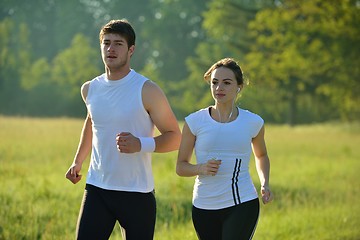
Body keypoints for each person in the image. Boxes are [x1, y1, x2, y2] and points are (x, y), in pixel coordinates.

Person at [65, 19, 181, 240]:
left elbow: (175, 137)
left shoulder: (147, 89)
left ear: (131, 50)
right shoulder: (90, 89)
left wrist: (141, 144)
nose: (111, 48)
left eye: (118, 43)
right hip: (97, 189)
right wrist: (78, 161)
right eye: (106, 43)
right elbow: (92, 122)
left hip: (137, 194)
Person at [176, 58, 273, 240]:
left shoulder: (253, 122)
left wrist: (265, 183)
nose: (219, 88)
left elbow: (261, 155)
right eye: (215, 82)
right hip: (204, 205)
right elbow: (180, 167)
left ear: (239, 86)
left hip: (241, 201)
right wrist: (201, 168)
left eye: (226, 83)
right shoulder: (194, 122)